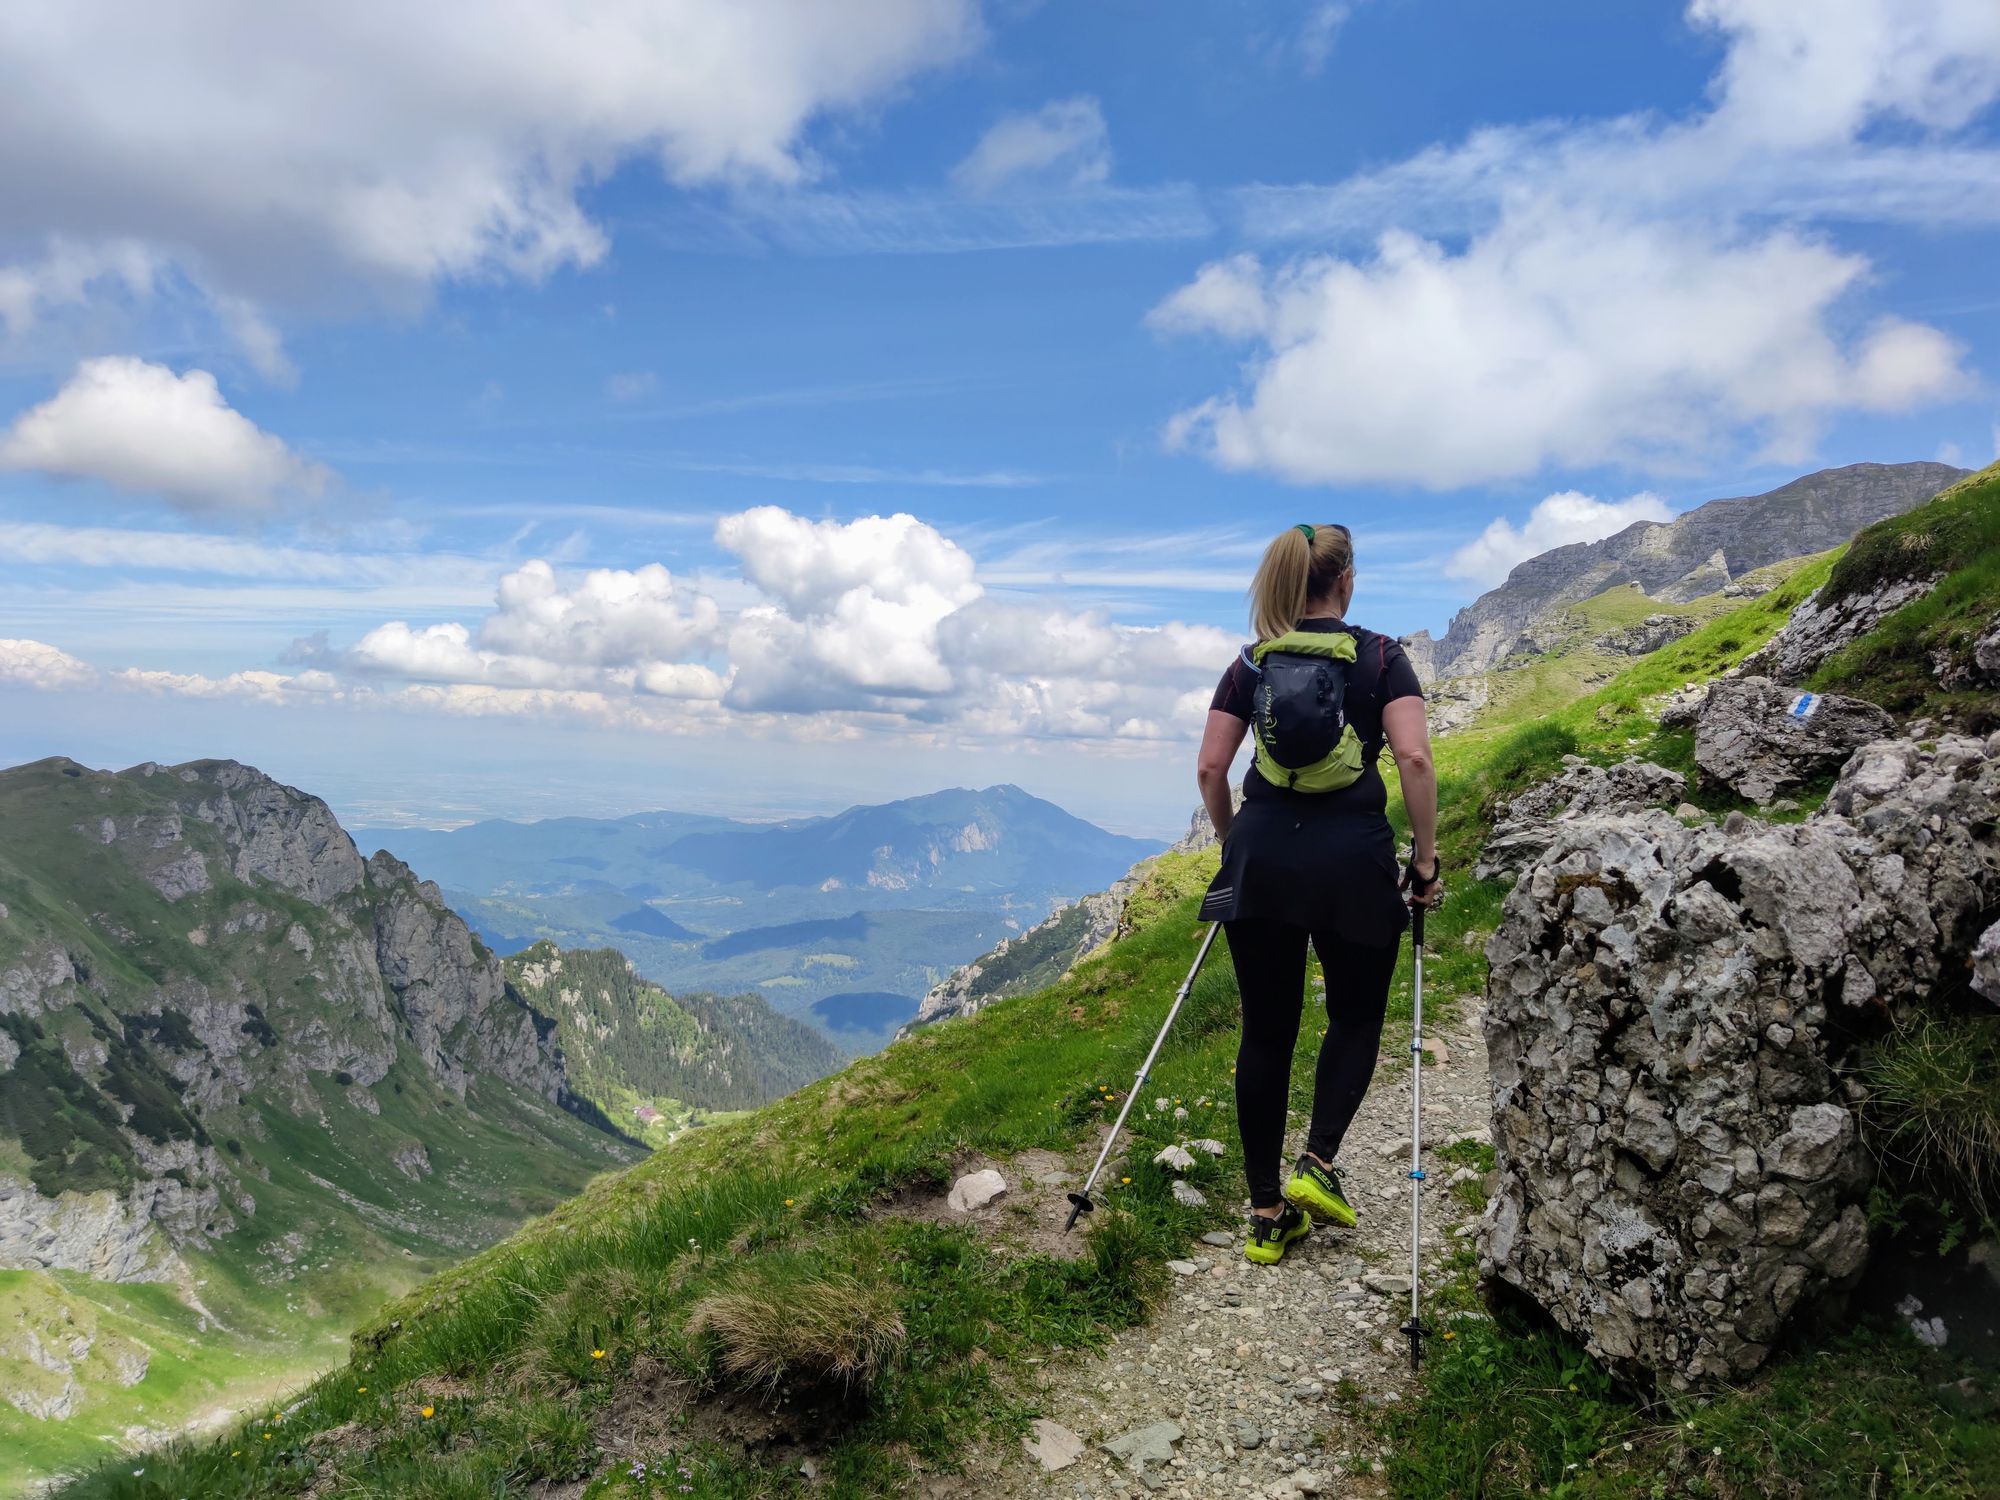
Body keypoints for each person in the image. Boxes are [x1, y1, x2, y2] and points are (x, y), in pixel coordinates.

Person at [1195, 522, 1443, 1266]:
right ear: (1346, 581)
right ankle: (1319, 1164)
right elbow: (1415, 758)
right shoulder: (1381, 657)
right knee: (1356, 1014)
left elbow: (1211, 769)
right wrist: (1425, 865)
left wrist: (1233, 840)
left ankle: (1266, 1214)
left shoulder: (1251, 661)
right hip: (1353, 859)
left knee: (1266, 1031)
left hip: (1262, 857)